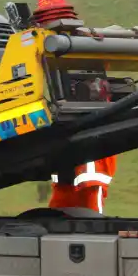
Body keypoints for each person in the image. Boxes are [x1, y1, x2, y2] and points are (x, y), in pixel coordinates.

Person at [48, 77, 119, 214]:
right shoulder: (99, 109)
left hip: (90, 173)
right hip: (70, 175)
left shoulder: (101, 112)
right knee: (60, 209)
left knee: (90, 210)